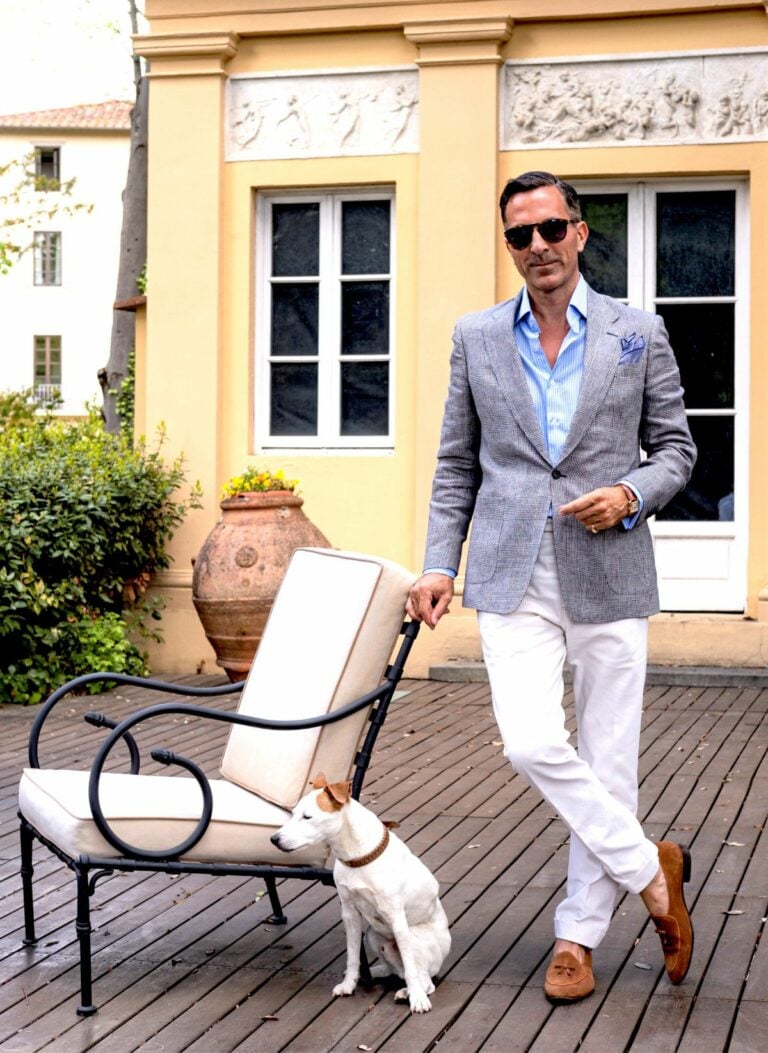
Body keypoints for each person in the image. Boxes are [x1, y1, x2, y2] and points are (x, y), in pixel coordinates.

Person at [406, 171, 697, 1005]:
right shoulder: (476, 337)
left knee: (608, 759)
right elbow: (455, 462)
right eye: (519, 235)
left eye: (550, 229)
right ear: (510, 245)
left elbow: (676, 450)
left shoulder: (638, 332)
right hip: (512, 568)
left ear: (579, 232)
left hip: (609, 566)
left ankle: (578, 936)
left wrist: (630, 493)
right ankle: (652, 871)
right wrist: (439, 562)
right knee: (530, 741)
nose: (536, 246)